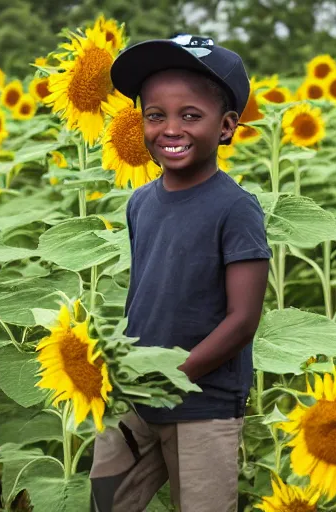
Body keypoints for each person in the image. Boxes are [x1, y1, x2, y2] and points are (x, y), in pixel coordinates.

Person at [88, 34, 272, 512]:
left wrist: (174, 376)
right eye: (155, 115)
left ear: (228, 126)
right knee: (105, 500)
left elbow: (242, 320)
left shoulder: (235, 209)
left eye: (191, 115)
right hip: (135, 396)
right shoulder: (140, 202)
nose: (170, 128)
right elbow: (147, 293)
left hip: (202, 405)